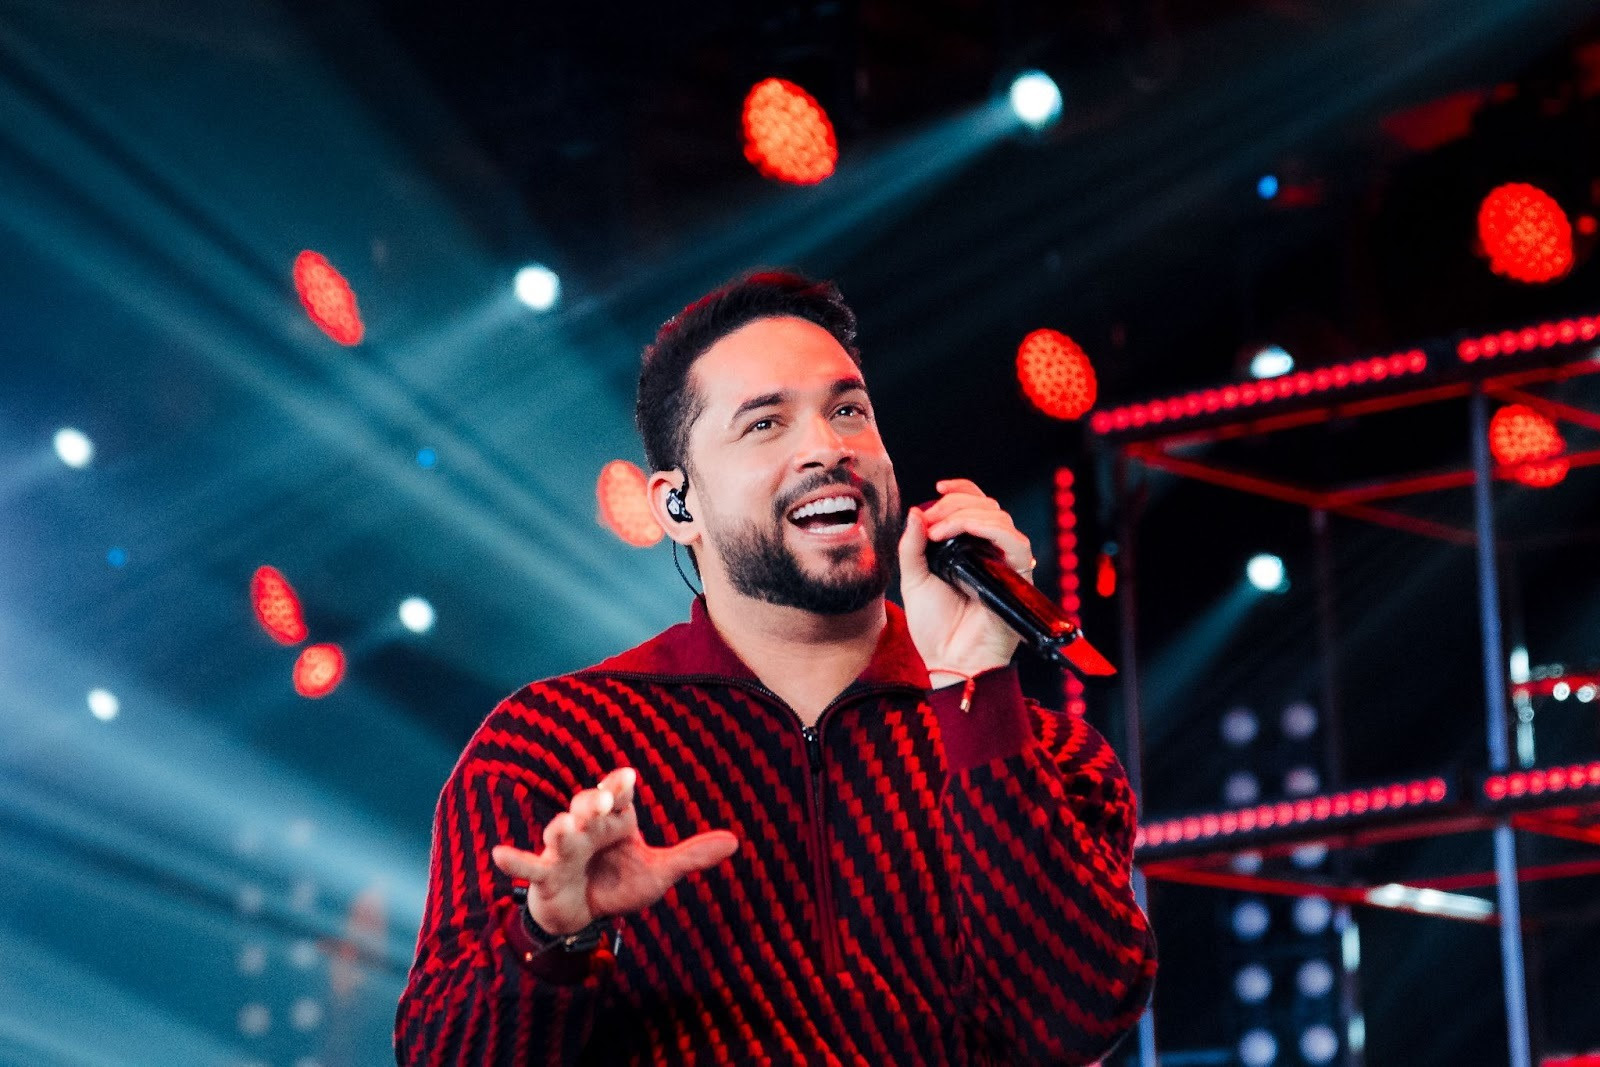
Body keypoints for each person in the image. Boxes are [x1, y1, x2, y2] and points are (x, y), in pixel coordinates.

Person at [394, 270, 1157, 1065]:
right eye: (765, 423)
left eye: (848, 410)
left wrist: (974, 693)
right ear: (677, 504)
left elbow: (1081, 1021)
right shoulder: (554, 745)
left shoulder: (1045, 751)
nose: (828, 447)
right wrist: (553, 936)